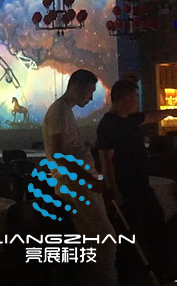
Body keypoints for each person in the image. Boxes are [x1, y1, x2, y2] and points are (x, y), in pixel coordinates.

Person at [42, 69, 118, 286]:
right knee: (103, 238)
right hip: (76, 185)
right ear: (76, 87)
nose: (91, 98)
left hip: (78, 183)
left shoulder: (63, 112)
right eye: (90, 92)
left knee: (94, 237)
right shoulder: (59, 113)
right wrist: (89, 179)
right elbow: (58, 155)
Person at [97, 79, 177, 282]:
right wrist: (113, 189)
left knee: (156, 225)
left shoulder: (130, 119)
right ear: (124, 98)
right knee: (131, 234)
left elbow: (150, 116)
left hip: (142, 186)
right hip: (127, 189)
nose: (136, 101)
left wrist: (171, 112)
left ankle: (160, 271)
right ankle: (131, 276)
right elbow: (106, 159)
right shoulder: (109, 124)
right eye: (134, 97)